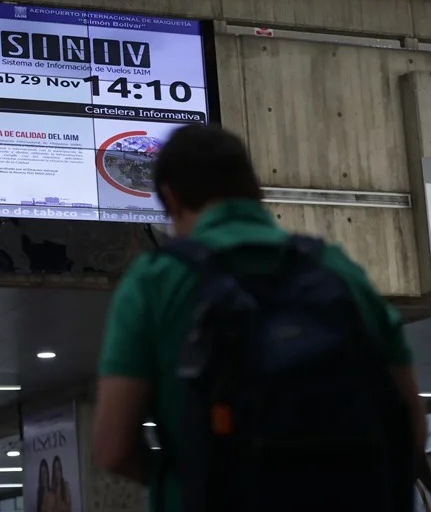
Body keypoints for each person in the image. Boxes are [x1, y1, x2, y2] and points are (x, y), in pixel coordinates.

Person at [92, 124, 427, 512]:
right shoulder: (338, 272)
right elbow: (409, 426)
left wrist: (188, 478)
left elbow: (113, 448)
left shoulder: (155, 281)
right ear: (255, 190)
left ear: (172, 198)